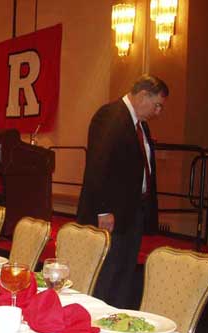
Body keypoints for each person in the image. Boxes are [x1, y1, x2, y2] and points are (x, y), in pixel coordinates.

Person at [77, 75, 168, 308]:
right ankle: (96, 318)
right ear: (143, 95)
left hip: (132, 212)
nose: (158, 112)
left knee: (124, 274)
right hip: (112, 214)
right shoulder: (110, 116)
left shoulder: (140, 125)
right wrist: (103, 210)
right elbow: (98, 164)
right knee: (107, 275)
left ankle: (116, 317)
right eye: (157, 105)